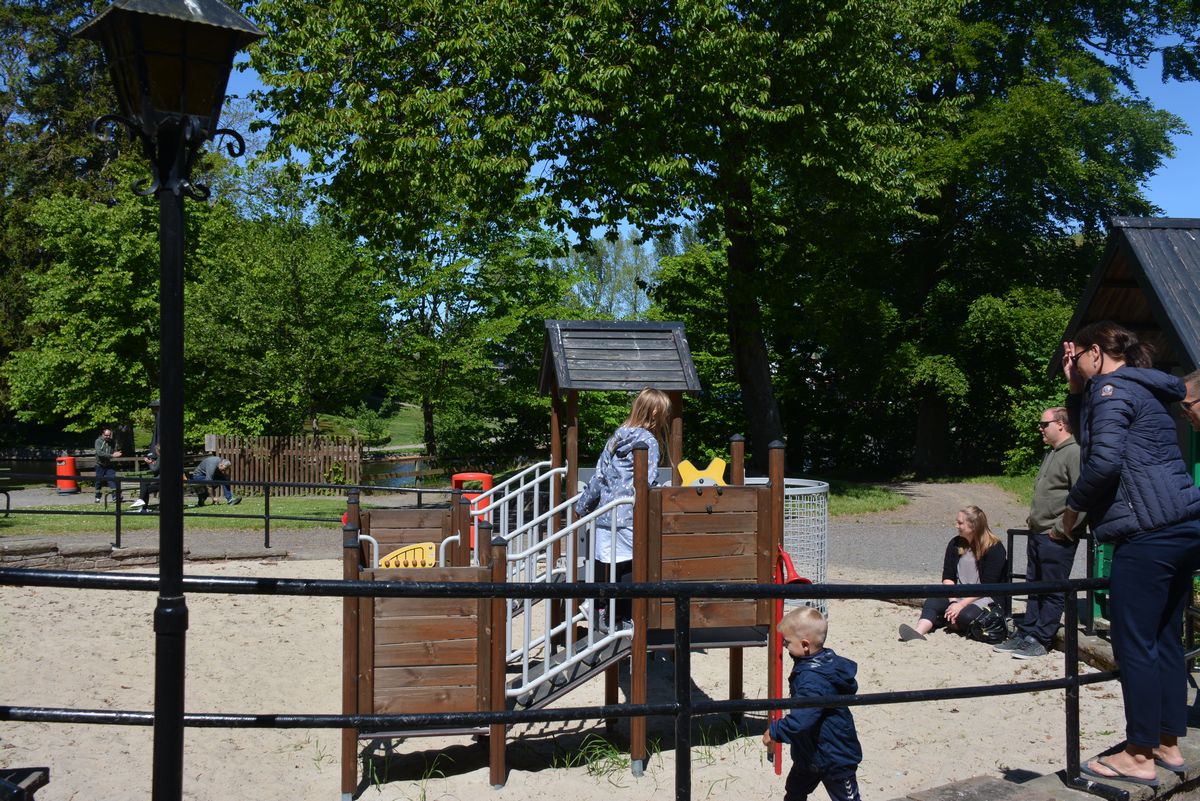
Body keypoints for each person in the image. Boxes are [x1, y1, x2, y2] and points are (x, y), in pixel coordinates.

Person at [1061, 321, 1200, 787]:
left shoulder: (1111, 391)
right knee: (1164, 638)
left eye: (1078, 357)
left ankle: (1138, 753)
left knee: (1133, 642)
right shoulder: (1143, 388)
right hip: (1183, 526)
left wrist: (1072, 510)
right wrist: (1076, 390)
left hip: (1148, 532)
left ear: (1095, 352)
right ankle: (1166, 742)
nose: (1076, 365)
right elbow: (1095, 440)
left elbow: (1102, 462)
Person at [993, 407, 1086, 659]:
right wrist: (1033, 519)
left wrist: (1061, 529)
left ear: (1061, 424)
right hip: (1038, 532)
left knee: (1053, 589)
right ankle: (1027, 633)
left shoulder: (1075, 453)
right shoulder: (1052, 452)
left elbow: (1083, 496)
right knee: (1034, 586)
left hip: (1056, 536)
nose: (1040, 428)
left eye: (1044, 424)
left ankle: (1041, 638)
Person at [574, 387, 671, 626]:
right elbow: (647, 481)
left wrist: (583, 506)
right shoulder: (648, 441)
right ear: (655, 413)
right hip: (630, 513)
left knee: (608, 563)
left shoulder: (616, 437)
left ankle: (599, 606)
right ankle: (624, 616)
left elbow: (599, 476)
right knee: (630, 563)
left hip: (606, 513)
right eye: (664, 414)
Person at [763, 606, 863, 801]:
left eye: (787, 642)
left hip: (834, 755)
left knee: (846, 797)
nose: (784, 645)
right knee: (795, 790)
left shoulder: (813, 680)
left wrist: (775, 731)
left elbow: (803, 718)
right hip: (809, 752)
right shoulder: (822, 663)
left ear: (805, 645)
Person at [898, 505, 1007, 642]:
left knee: (966, 616)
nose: (956, 525)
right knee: (932, 602)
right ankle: (919, 631)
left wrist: (961, 605)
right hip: (958, 594)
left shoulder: (995, 548)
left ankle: (950, 622)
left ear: (973, 525)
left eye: (960, 523)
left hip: (984, 596)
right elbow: (948, 577)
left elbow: (987, 586)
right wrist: (954, 601)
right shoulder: (955, 543)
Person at [93, 427, 123, 503]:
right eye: (106, 435)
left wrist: (117, 453)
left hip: (109, 464)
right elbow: (99, 453)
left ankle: (115, 496)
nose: (108, 437)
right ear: (103, 434)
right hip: (100, 465)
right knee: (98, 481)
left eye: (109, 435)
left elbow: (113, 451)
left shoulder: (112, 442)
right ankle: (97, 497)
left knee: (112, 480)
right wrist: (112, 455)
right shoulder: (98, 441)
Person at [128, 444, 161, 512]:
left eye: (156, 450)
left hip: (161, 480)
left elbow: (154, 469)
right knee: (145, 489)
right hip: (163, 480)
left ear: (158, 450)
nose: (155, 452)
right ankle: (143, 508)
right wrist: (152, 463)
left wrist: (149, 463)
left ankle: (141, 501)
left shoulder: (160, 457)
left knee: (144, 482)